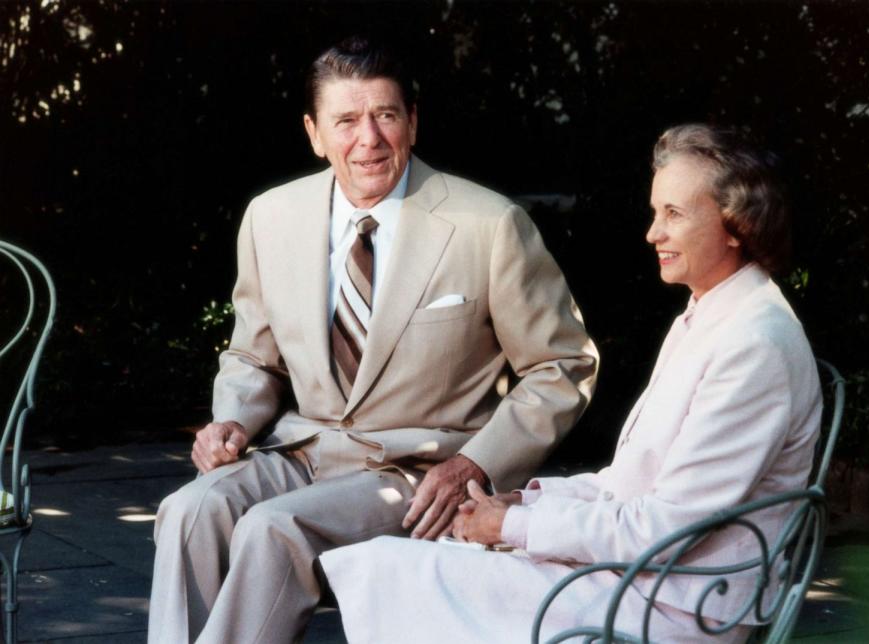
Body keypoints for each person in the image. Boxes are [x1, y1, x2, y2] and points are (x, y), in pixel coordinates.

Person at [147, 36, 598, 644]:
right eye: (346, 121)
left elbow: (562, 365)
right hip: (301, 453)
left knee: (273, 530)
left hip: (416, 472)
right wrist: (231, 420)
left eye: (386, 115)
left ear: (413, 120)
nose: (369, 138)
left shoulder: (488, 224)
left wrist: (477, 462)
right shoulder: (270, 216)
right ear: (313, 133)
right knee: (189, 509)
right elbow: (255, 355)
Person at [320, 123, 823, 643]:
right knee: (419, 560)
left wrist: (510, 528)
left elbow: (666, 529)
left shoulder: (754, 343)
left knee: (393, 567)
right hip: (641, 580)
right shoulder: (712, 314)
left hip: (673, 607)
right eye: (656, 213)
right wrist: (520, 505)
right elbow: (628, 483)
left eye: (674, 214)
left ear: (736, 224)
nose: (654, 233)